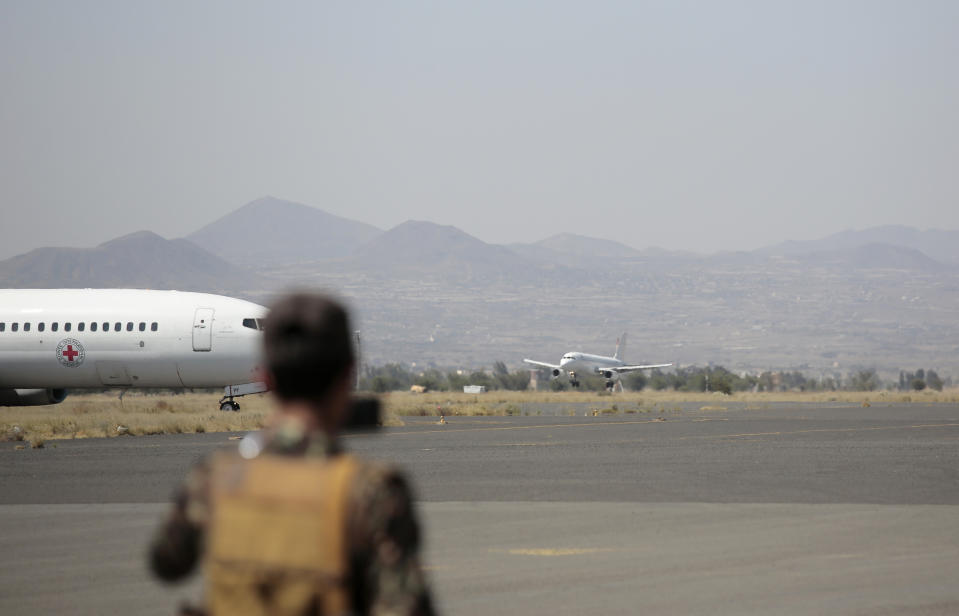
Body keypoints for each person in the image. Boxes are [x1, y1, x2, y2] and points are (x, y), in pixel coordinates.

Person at [149, 292, 436, 616]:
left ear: (265, 376)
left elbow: (166, 562)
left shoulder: (213, 478)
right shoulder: (372, 490)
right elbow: (404, 605)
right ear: (346, 378)